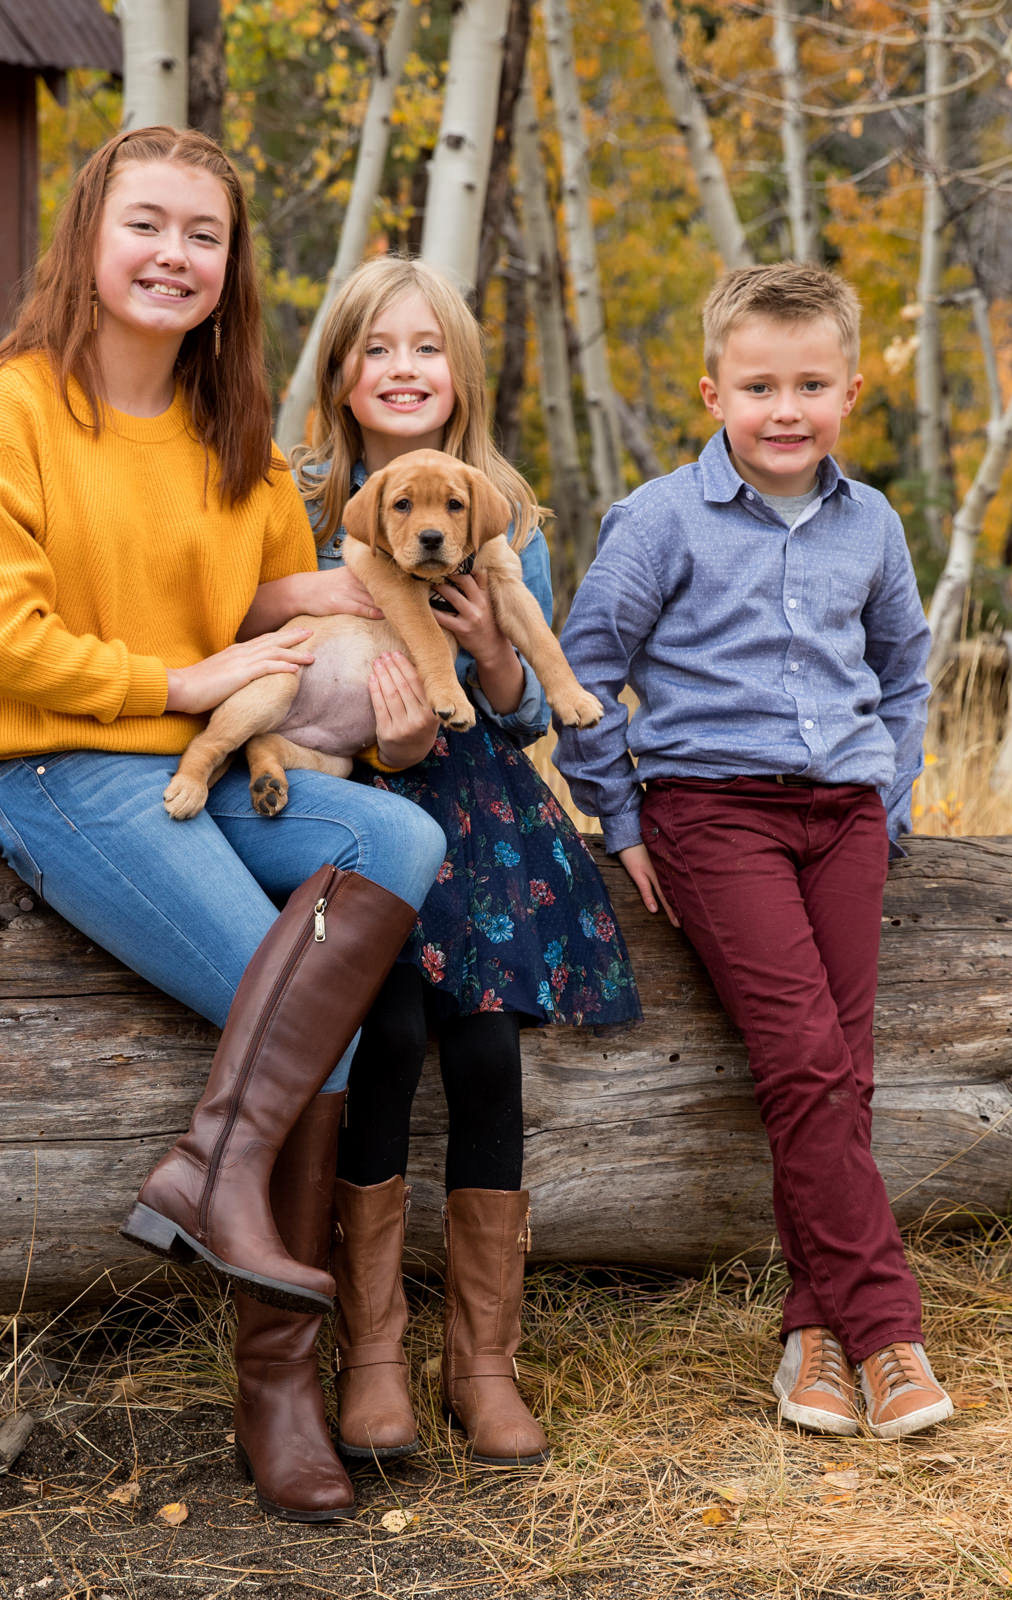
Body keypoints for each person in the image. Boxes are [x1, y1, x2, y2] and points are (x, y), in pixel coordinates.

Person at [0, 127, 447, 1523]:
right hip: (59, 772)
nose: (173, 257)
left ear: (230, 267)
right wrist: (176, 680)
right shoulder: (5, 414)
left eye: (202, 236)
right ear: (89, 237)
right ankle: (281, 1387)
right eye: (146, 225)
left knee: (398, 845)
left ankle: (211, 1170)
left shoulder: (237, 437)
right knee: (305, 1004)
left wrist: (351, 612)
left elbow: (275, 600)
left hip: (222, 762)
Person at [552, 261, 952, 1442]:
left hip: (843, 819)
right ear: (712, 392)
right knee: (804, 1061)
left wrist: (890, 798)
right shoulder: (660, 519)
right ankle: (886, 1331)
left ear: (851, 390)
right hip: (714, 817)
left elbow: (904, 670)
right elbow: (582, 679)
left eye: (812, 384)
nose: (787, 409)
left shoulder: (869, 521)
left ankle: (809, 1340)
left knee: (846, 1069)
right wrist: (619, 819)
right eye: (760, 385)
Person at [292, 256, 640, 1470]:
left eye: (426, 350)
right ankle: (373, 1350)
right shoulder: (300, 499)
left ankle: (482, 1360)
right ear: (340, 370)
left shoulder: (505, 509)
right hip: (342, 800)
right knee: (383, 1034)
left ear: (461, 375)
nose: (402, 371)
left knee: (485, 1047)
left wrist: (494, 654)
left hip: (478, 815)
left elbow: (525, 712)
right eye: (377, 349)